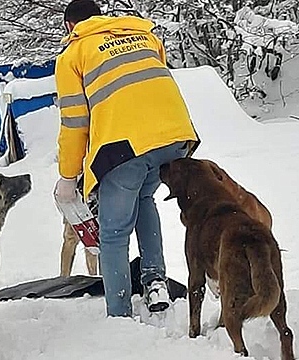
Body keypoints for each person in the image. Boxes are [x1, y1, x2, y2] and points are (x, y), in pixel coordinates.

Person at [53, 0, 200, 317]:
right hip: (176, 135)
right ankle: (154, 281)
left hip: (125, 145)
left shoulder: (73, 54)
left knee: (114, 230)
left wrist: (68, 177)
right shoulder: (143, 35)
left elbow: (75, 123)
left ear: (70, 27)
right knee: (144, 198)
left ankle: (118, 311)